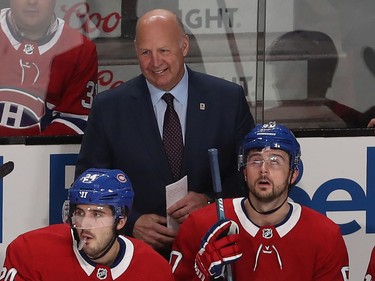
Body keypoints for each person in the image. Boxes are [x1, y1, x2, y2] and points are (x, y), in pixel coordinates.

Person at [74, 8, 254, 258]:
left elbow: (250, 174)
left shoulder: (228, 99)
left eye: (164, 51)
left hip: (211, 251)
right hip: (135, 256)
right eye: (146, 52)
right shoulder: (109, 107)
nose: (155, 62)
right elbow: (88, 183)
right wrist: (131, 221)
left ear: (184, 46)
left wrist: (210, 203)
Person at [170, 121, 349, 280]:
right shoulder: (201, 224)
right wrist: (200, 276)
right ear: (244, 171)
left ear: (293, 174)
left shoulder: (325, 236)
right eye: (255, 161)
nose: (264, 169)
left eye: (275, 161)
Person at [1, 168, 175, 280]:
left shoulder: (154, 269)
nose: (84, 224)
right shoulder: (30, 251)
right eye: (79, 213)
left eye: (97, 214)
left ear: (120, 221)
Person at [0, 0, 98, 136]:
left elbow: (76, 121)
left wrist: (26, 155)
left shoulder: (80, 49)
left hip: (42, 156)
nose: (32, 2)